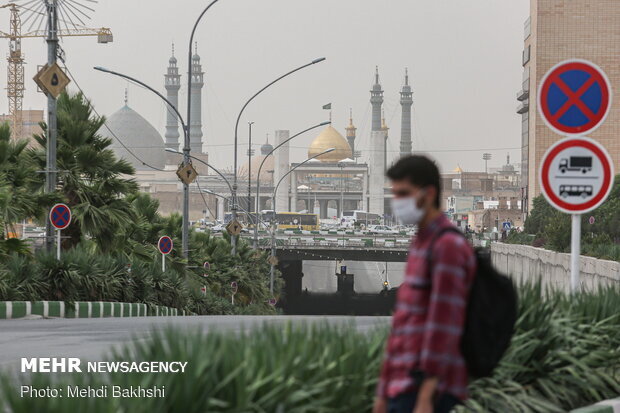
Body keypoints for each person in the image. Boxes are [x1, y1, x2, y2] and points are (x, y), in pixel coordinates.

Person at [373, 155, 476, 413]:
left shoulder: (447, 246)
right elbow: (402, 325)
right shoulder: (421, 242)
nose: (398, 202)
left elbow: (444, 325)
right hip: (401, 384)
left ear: (428, 193)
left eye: (404, 193)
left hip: (427, 392)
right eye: (395, 194)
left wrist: (426, 397)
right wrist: (383, 392)